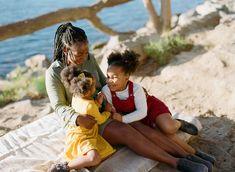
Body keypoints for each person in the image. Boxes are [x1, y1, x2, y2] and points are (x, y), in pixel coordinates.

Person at [46, 22, 209, 172]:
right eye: (78, 53)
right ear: (66, 50)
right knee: (127, 131)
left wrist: (130, 88)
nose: (84, 56)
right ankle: (176, 162)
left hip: (104, 109)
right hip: (86, 122)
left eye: (86, 51)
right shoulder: (54, 73)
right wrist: (77, 118)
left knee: (141, 127)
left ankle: (189, 156)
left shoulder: (89, 59)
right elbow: (59, 106)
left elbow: (104, 83)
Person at [102, 50, 215, 171]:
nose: (109, 81)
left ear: (127, 76)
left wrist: (123, 119)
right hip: (133, 118)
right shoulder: (107, 90)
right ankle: (194, 155)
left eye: (114, 77)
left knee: (168, 128)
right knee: (161, 134)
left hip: (149, 109)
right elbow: (112, 110)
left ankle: (178, 123)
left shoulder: (136, 89)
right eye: (108, 77)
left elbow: (142, 112)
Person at [49, 67, 116, 171]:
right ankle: (65, 167)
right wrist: (107, 111)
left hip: (75, 133)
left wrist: (97, 103)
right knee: (95, 158)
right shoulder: (90, 105)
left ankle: (80, 160)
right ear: (88, 91)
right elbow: (100, 119)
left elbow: (87, 110)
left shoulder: (76, 97)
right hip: (84, 137)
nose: (95, 87)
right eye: (94, 85)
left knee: (106, 153)